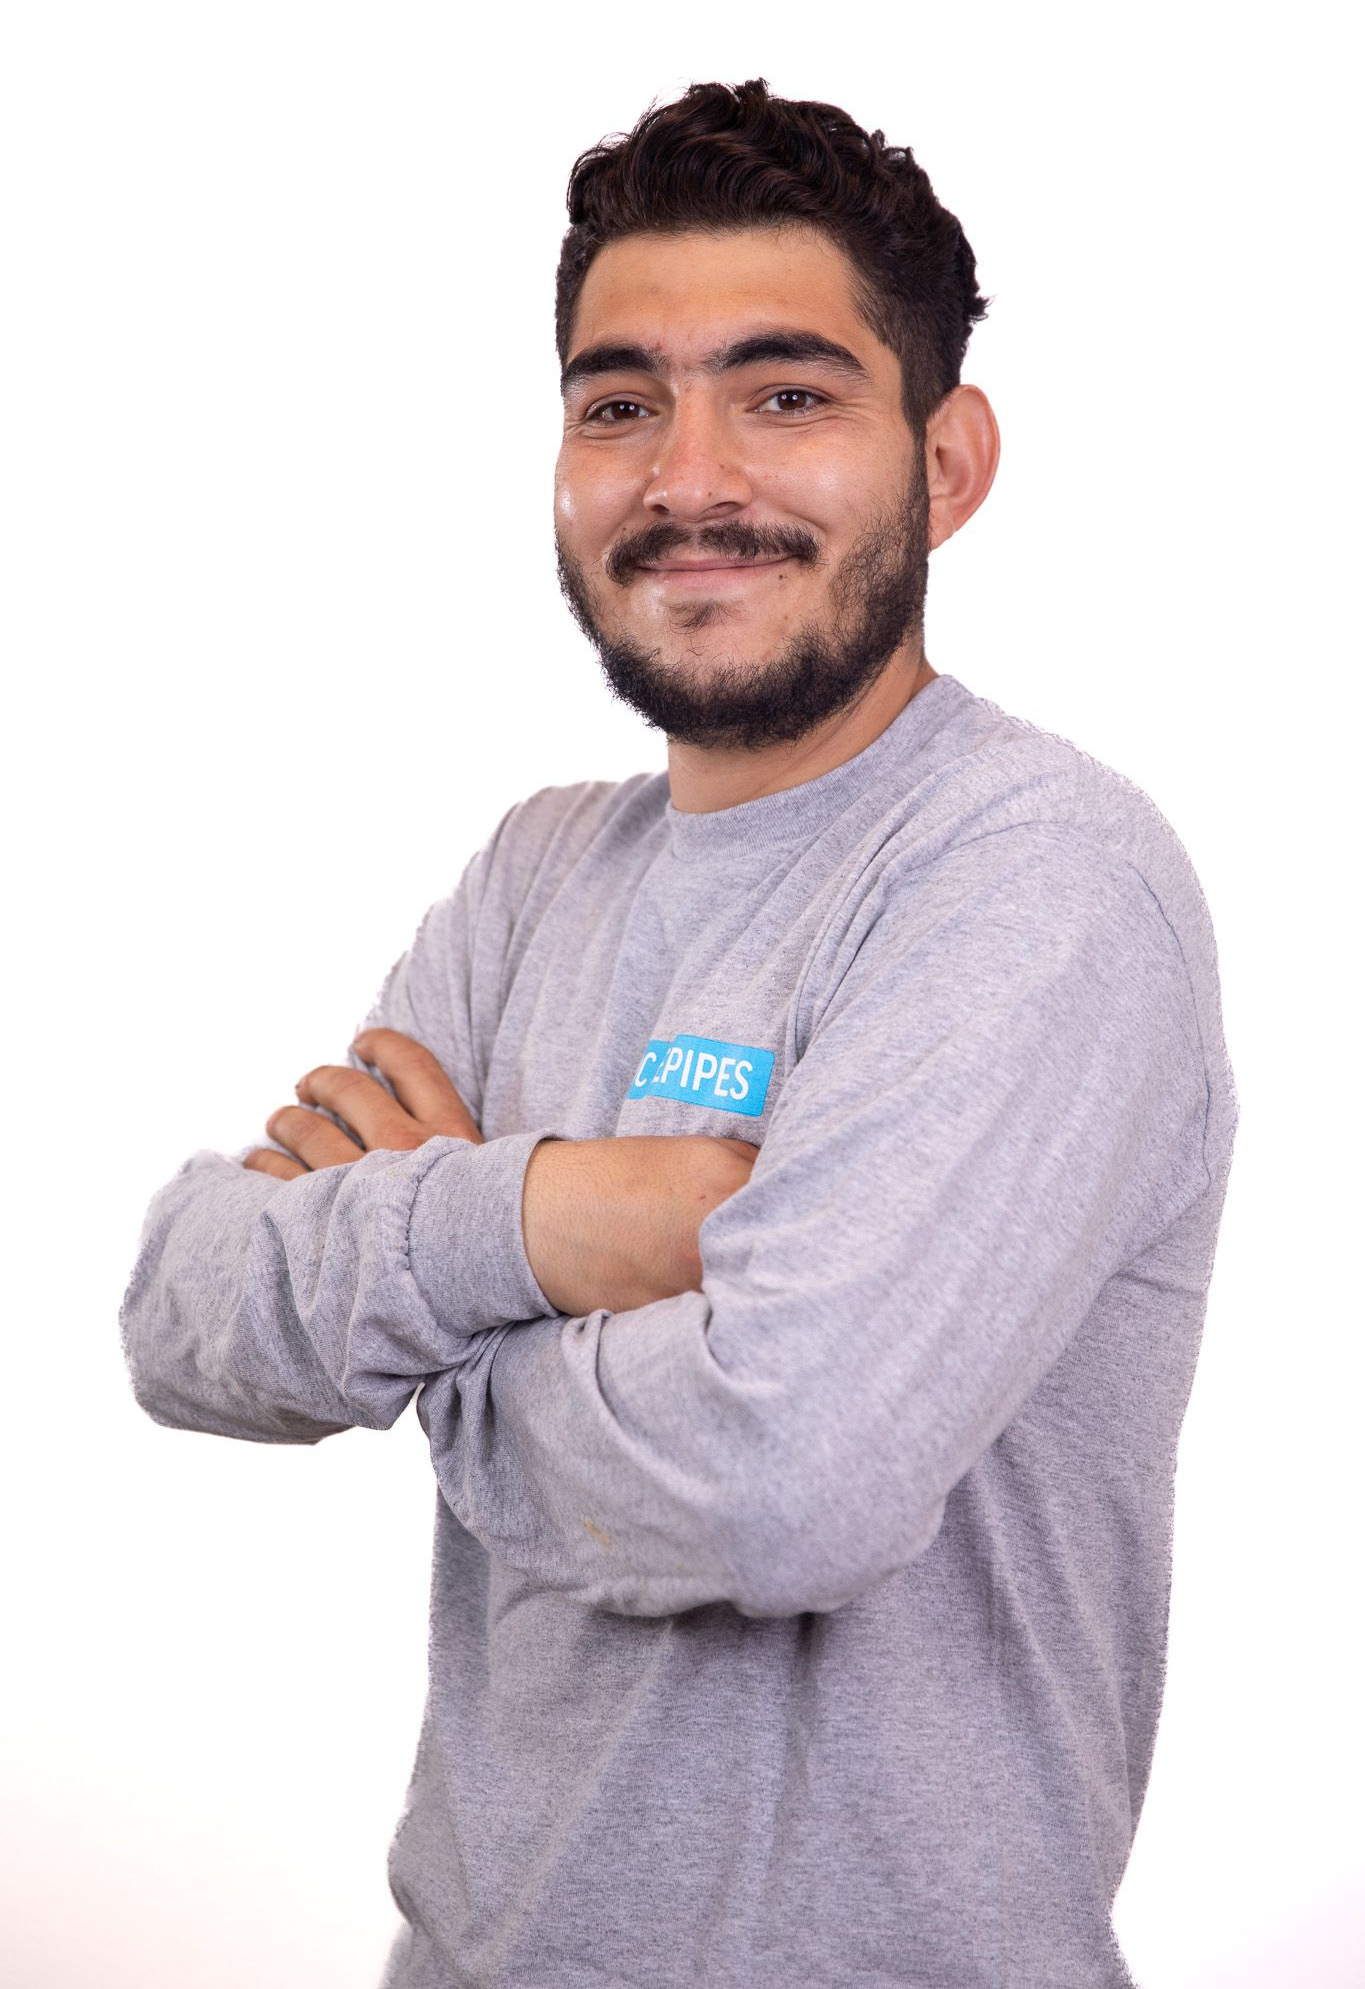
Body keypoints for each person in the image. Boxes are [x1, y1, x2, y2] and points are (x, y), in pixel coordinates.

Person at [119, 76, 1239, 1989]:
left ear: (948, 464)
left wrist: (413, 1313)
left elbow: (785, 1479)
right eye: (619, 399)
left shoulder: (1043, 878)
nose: (687, 476)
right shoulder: (539, 872)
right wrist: (565, 1224)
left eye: (786, 395)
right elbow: (181, 1314)